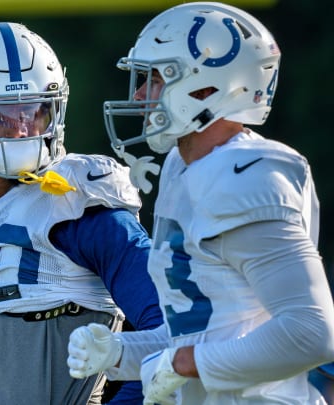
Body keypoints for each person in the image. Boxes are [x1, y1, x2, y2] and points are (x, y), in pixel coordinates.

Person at [67, 2, 334, 404]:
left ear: (207, 89)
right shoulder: (182, 167)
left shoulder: (249, 176)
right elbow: (198, 328)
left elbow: (311, 332)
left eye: (156, 79)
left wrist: (182, 364)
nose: (140, 95)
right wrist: (120, 352)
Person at [0, 22, 162, 404]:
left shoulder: (83, 203)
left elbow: (167, 329)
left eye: (34, 113)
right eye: (2, 116)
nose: (21, 130)